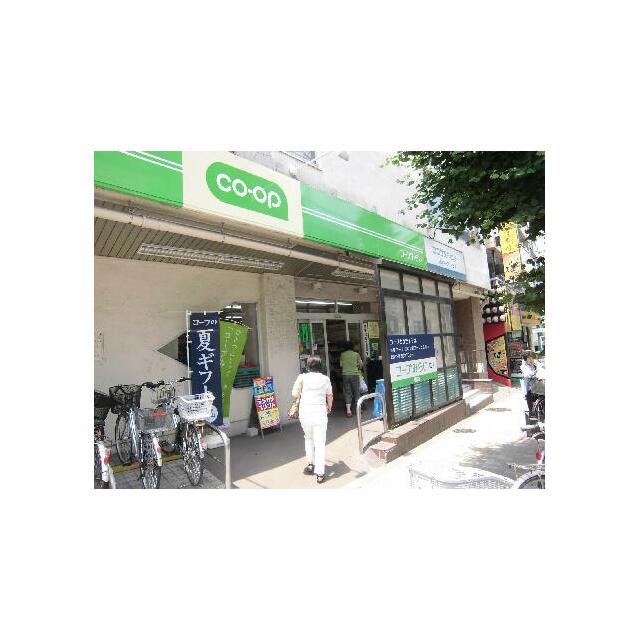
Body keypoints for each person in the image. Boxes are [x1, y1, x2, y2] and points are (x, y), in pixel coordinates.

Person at [291, 356, 333, 484]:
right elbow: (330, 395)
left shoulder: (302, 377)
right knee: (320, 443)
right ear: (320, 366)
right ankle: (320, 473)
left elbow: (294, 394)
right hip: (320, 412)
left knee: (308, 437)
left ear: (308, 366)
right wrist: (329, 407)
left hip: (305, 413)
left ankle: (310, 464)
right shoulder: (325, 379)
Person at [340, 341, 363, 417]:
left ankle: (348, 411)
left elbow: (341, 365)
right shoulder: (356, 354)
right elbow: (361, 364)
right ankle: (358, 410)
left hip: (345, 375)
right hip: (354, 374)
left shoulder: (342, 354)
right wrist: (358, 367)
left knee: (348, 392)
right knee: (356, 392)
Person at [520, 350, 538, 415]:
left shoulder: (534, 364)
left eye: (531, 358)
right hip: (529, 389)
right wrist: (536, 371)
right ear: (526, 359)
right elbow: (528, 374)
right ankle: (532, 414)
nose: (531, 359)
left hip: (537, 387)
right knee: (531, 404)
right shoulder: (524, 367)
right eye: (529, 358)